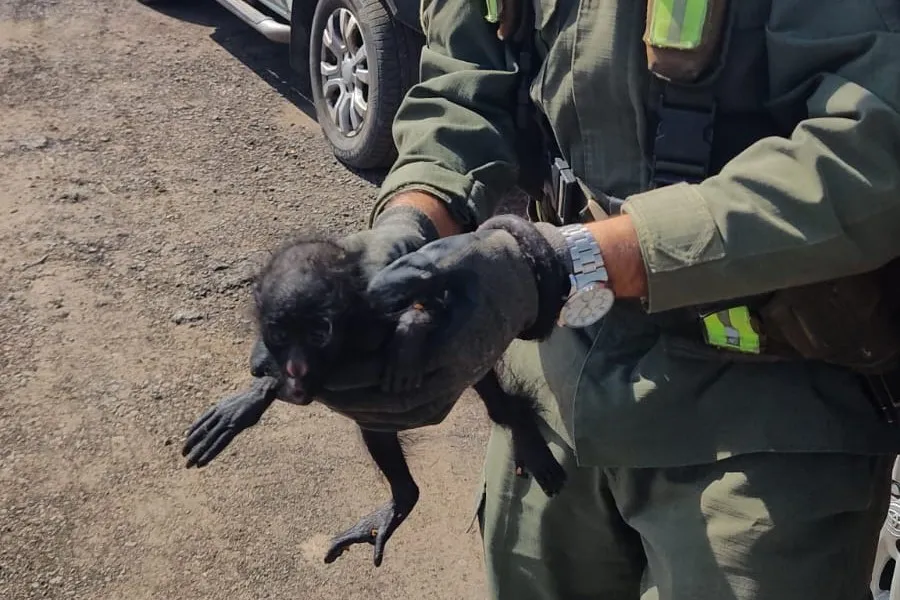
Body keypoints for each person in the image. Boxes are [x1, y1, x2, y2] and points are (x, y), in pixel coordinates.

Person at [304, 0, 900, 598]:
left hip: (763, 421)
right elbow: (465, 80)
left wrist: (575, 262)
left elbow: (875, 148)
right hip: (557, 381)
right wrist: (413, 223)